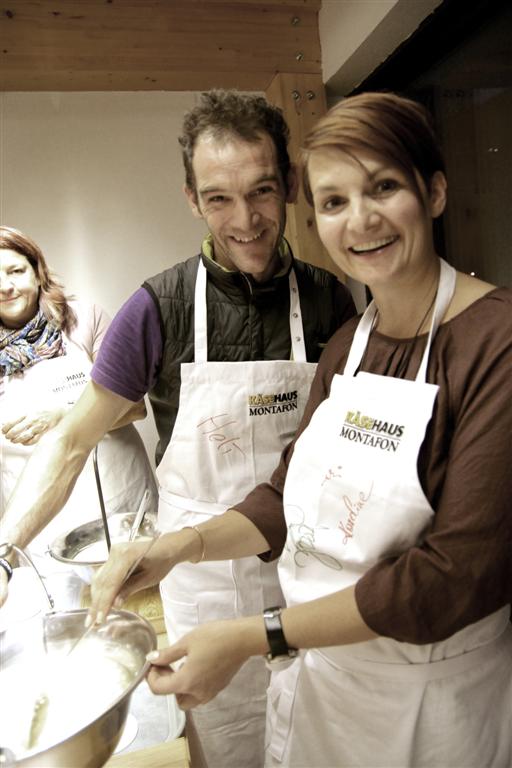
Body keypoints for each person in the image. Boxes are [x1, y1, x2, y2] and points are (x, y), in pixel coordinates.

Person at [88, 91, 512, 768]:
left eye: (384, 187)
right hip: (330, 686)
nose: (361, 220)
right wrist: (174, 549)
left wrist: (257, 635)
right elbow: (282, 498)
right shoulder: (349, 345)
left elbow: (451, 579)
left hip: (432, 704)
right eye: (335, 201)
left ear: (433, 192)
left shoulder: (496, 342)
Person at [0, 91, 356, 768]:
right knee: (227, 737)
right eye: (219, 198)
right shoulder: (156, 308)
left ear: (289, 186)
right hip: (203, 577)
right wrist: (5, 551)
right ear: (192, 199)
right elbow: (72, 440)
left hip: (310, 567)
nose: (245, 221)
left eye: (262, 191)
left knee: (319, 734)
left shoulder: (329, 299)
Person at [0, 226, 158, 577]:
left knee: (139, 599)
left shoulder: (84, 320)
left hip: (119, 506)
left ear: (37, 272)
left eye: (16, 271)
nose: (5, 286)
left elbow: (135, 406)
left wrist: (63, 417)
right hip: (40, 527)